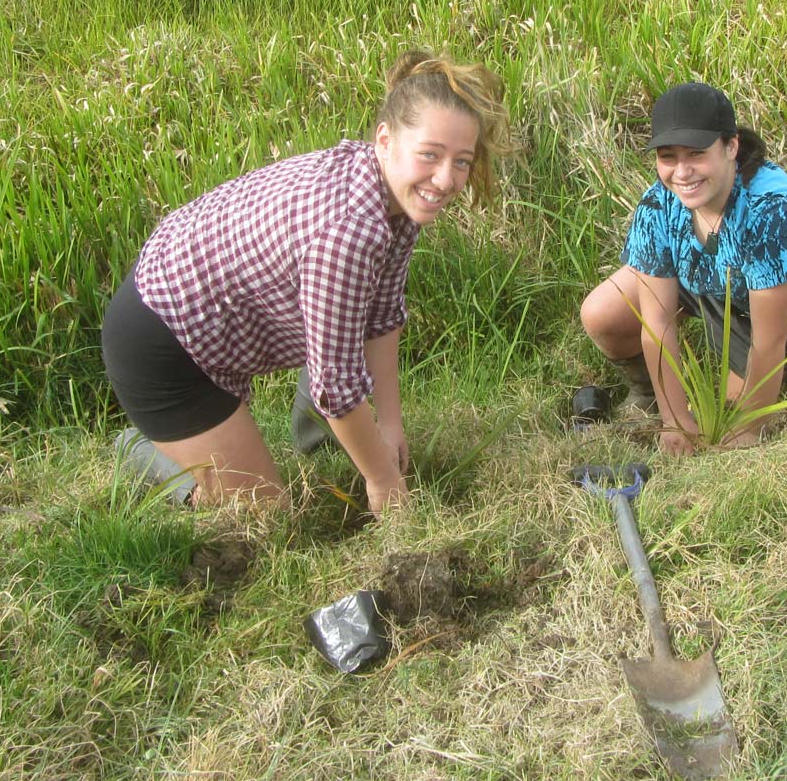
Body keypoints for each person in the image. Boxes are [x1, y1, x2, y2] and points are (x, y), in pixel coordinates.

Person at [101, 50, 512, 510]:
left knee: (343, 368)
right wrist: (382, 481)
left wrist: (390, 424)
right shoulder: (348, 231)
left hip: (205, 315)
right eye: (430, 155)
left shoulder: (395, 191)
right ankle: (140, 452)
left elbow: (381, 315)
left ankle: (300, 438)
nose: (445, 179)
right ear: (385, 140)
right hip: (161, 341)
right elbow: (334, 385)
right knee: (266, 511)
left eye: (462, 161)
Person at [580, 82, 787, 455]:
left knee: (723, 417)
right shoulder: (659, 203)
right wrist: (674, 419)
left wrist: (748, 429)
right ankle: (647, 393)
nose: (682, 172)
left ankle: (741, 385)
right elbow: (657, 323)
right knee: (601, 313)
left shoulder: (773, 212)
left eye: (696, 154)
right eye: (668, 156)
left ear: (731, 146)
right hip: (706, 282)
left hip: (781, 316)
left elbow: (768, 343)